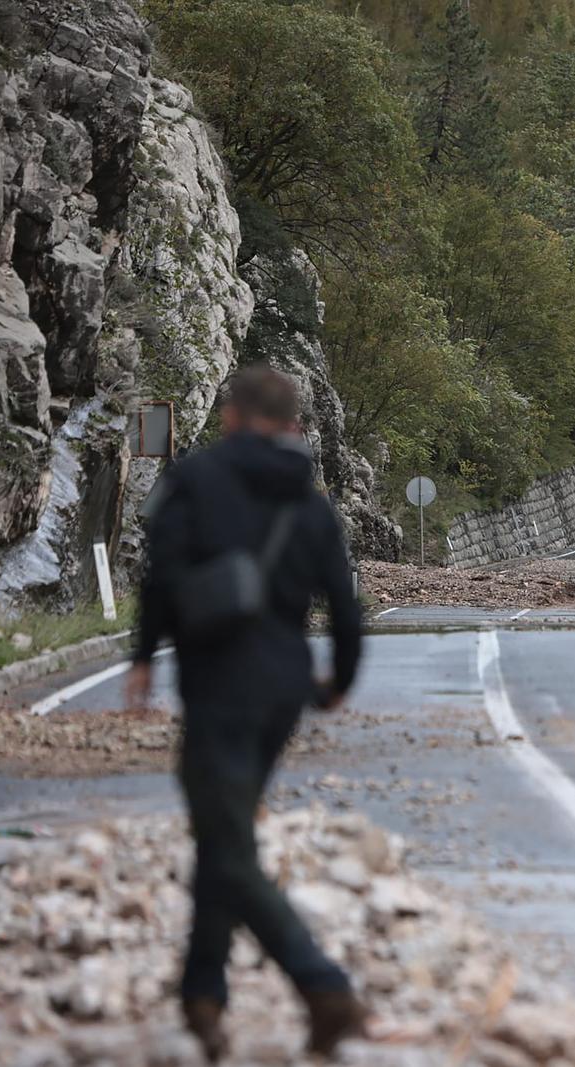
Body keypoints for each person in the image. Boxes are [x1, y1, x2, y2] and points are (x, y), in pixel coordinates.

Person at [125, 365, 366, 1062]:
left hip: (216, 682)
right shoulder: (311, 502)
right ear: (294, 424)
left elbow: (161, 572)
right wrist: (339, 680)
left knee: (227, 843)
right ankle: (202, 996)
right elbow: (346, 607)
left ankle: (323, 984)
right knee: (222, 833)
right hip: (284, 690)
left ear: (230, 416)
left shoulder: (196, 480)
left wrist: (143, 658)